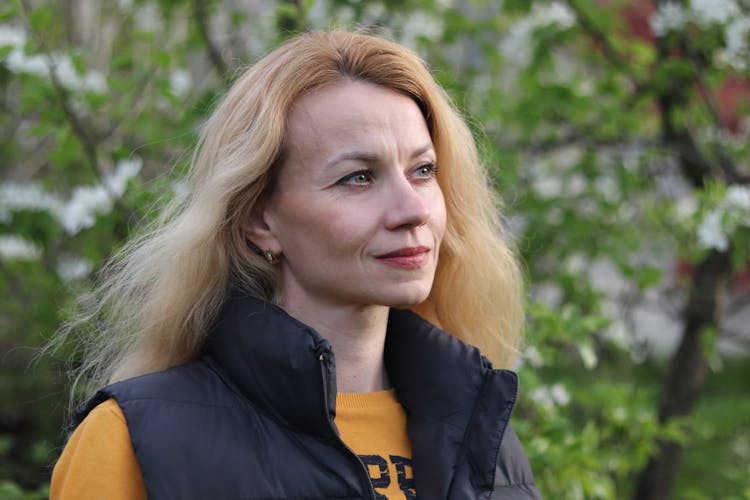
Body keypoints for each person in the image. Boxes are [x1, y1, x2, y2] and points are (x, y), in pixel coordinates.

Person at [51, 30, 541, 499]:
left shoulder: (482, 433)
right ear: (259, 219)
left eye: (423, 170)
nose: (413, 209)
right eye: (358, 177)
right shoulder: (132, 440)